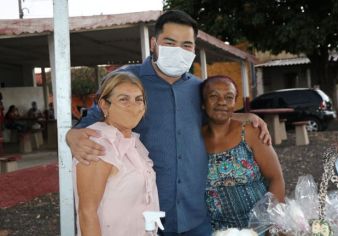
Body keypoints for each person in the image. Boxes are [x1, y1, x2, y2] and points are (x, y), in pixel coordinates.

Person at [66, 10, 270, 235]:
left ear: (194, 48)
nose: (178, 51)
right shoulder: (127, 82)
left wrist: (247, 117)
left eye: (186, 45)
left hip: (196, 218)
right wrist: (71, 135)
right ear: (154, 43)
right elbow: (91, 122)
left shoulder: (199, 88)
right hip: (146, 220)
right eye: (170, 42)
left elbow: (215, 116)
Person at [73, 71, 159, 236]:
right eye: (123, 99)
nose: (134, 106)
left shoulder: (133, 142)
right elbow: (87, 214)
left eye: (138, 99)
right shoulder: (99, 145)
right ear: (104, 105)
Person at [201, 75, 285, 231]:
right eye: (213, 96)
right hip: (217, 231)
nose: (222, 102)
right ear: (203, 103)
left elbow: (276, 179)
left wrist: (271, 224)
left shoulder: (250, 132)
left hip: (259, 228)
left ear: (234, 103)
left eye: (229, 97)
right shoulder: (195, 139)